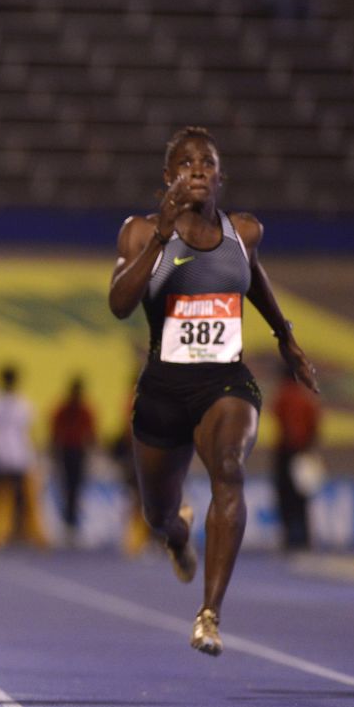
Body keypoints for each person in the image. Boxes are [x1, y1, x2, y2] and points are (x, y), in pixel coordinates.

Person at [108, 126, 317, 656]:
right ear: (168, 177)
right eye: (186, 162)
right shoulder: (138, 232)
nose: (198, 168)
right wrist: (160, 233)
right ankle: (177, 533)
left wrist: (285, 336)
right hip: (162, 388)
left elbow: (253, 275)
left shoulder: (242, 232)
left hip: (225, 380)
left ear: (220, 176)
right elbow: (118, 303)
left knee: (229, 468)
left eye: (207, 162)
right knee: (156, 513)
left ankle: (209, 614)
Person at [0, 364, 44, 548]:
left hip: (16, 456)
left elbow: (27, 431)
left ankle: (28, 535)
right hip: (3, 455)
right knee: (1, 498)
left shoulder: (14, 403)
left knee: (25, 500)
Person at [271, 364, 321, 550]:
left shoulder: (284, 395)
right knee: (302, 496)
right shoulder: (306, 397)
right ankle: (304, 538)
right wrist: (310, 448)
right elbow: (315, 424)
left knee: (285, 495)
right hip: (304, 450)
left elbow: (278, 417)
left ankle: (289, 538)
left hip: (286, 451)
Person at [50, 375, 96, 546]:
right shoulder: (63, 409)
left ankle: (73, 525)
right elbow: (55, 433)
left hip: (78, 452)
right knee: (66, 489)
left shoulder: (84, 410)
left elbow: (91, 434)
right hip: (66, 451)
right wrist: (54, 453)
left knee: (76, 489)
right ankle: (67, 525)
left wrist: (92, 453)